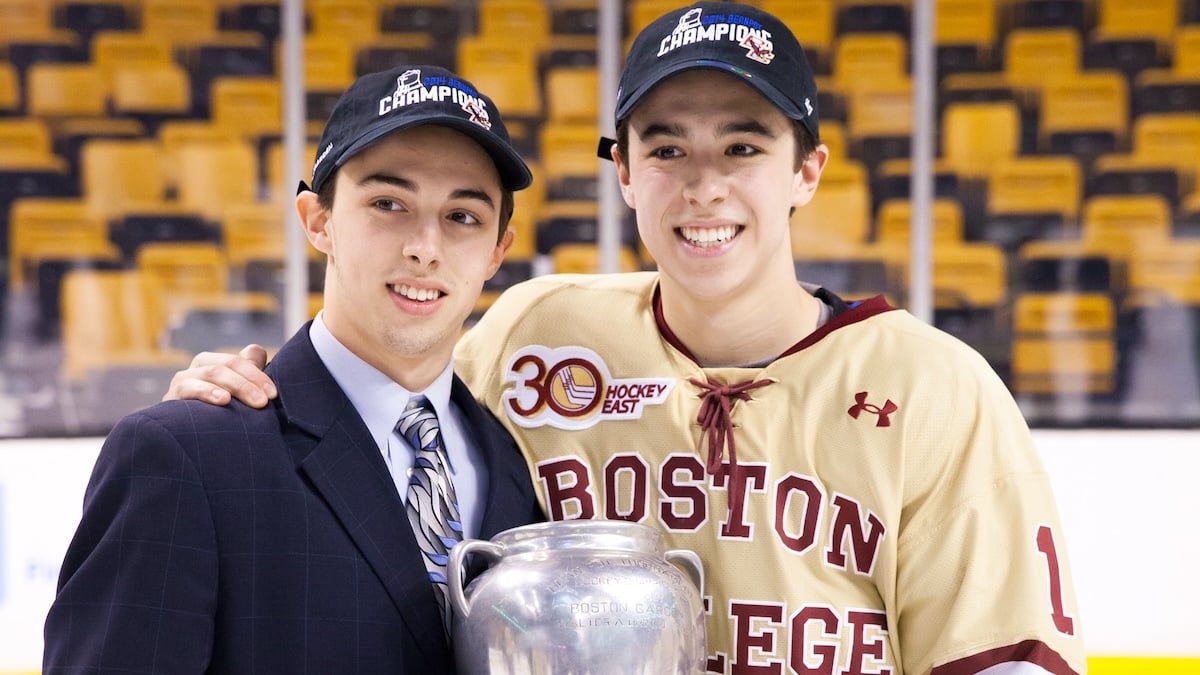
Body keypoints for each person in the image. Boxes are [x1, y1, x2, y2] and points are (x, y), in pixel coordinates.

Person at [164, 4, 1087, 673]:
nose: (704, 185)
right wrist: (242, 397)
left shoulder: (932, 386)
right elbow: (381, 415)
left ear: (807, 170)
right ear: (625, 175)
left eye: (743, 146)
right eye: (666, 147)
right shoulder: (540, 334)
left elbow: (1006, 660)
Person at [44, 64, 544, 673]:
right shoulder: (187, 454)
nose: (425, 247)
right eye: (388, 203)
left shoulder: (519, 466)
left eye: (463, 216)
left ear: (499, 249)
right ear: (318, 220)